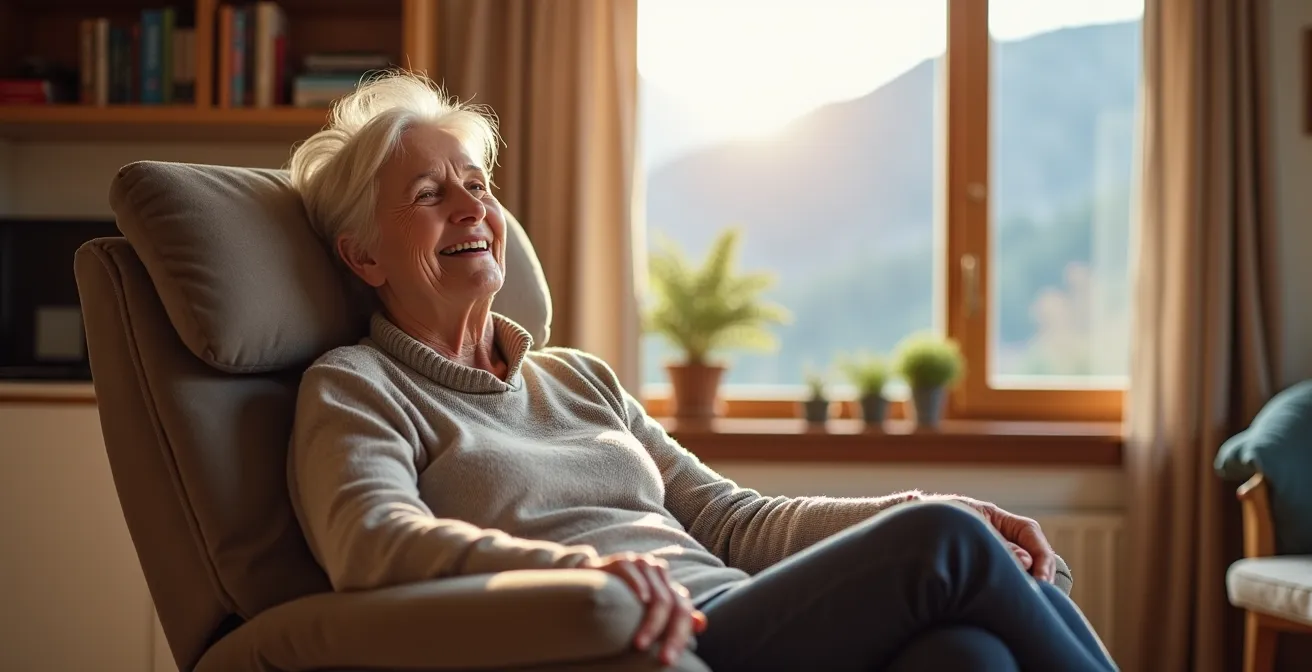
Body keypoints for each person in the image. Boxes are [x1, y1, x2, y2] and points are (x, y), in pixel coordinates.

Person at [286, 71, 1118, 672]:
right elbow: (373, 543)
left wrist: (919, 504)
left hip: (738, 610)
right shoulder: (357, 385)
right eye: (430, 194)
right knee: (947, 544)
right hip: (644, 634)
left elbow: (732, 520)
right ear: (363, 254)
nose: (473, 209)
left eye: (477, 185)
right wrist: (581, 576)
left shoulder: (580, 380)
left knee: (963, 652)